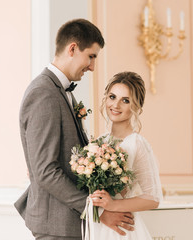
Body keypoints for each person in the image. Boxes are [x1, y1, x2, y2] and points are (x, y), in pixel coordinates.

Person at [14, 19, 134, 240]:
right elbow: (46, 171)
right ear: (72, 48)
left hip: (68, 223)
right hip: (56, 225)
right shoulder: (43, 93)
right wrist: (97, 212)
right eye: (91, 56)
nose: (92, 66)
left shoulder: (61, 91)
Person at [90, 71, 163, 239]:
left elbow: (153, 198)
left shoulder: (137, 143)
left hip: (122, 228)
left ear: (136, 107)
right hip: (98, 225)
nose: (116, 105)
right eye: (112, 97)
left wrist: (114, 205)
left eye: (125, 100)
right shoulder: (99, 142)